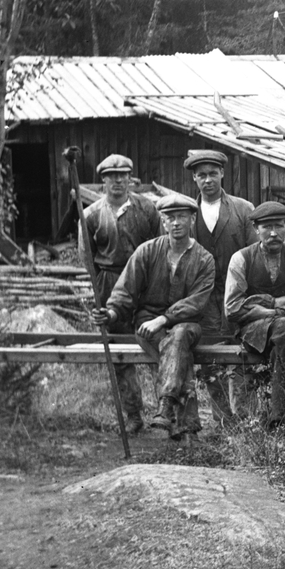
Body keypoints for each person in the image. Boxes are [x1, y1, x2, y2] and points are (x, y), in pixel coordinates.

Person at [90, 193, 215, 438]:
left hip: (188, 324)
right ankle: (187, 429)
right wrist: (111, 313)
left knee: (179, 335)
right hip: (147, 325)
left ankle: (166, 405)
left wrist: (164, 319)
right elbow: (126, 290)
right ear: (163, 221)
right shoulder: (147, 251)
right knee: (179, 351)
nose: (176, 223)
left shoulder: (204, 259)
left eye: (182, 217)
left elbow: (196, 303)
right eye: (170, 217)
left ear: (192, 220)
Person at [79, 153, 161, 434]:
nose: (117, 181)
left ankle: (166, 411)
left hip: (144, 284)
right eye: (111, 177)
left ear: (130, 178)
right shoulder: (91, 215)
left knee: (155, 343)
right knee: (119, 353)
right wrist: (99, 293)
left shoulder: (147, 209)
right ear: (103, 180)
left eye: (122, 176)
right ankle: (134, 415)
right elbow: (87, 258)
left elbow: (158, 247)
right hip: (109, 283)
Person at [225, 201, 285, 429]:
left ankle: (279, 422)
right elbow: (233, 309)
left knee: (284, 333)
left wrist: (269, 310)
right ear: (255, 229)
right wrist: (277, 302)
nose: (273, 233)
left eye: (278, 226)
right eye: (266, 227)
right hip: (254, 334)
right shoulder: (241, 259)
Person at [184, 149, 256, 429]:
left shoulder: (242, 209)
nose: (208, 180)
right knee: (210, 357)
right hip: (203, 297)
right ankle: (223, 420)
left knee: (241, 354)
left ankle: (245, 418)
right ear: (194, 178)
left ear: (222, 174)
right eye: (201, 175)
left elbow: (254, 253)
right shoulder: (188, 214)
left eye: (213, 173)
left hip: (237, 293)